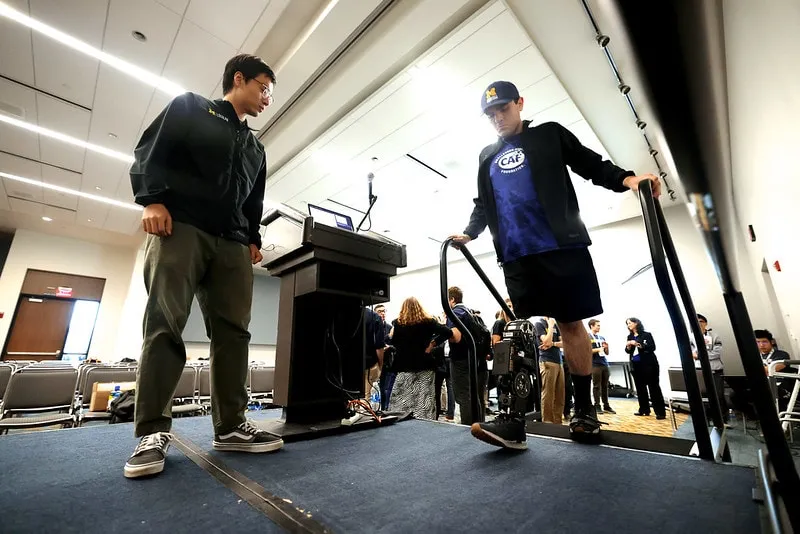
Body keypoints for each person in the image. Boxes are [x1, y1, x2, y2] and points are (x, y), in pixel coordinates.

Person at [450, 80, 660, 449]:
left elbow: (590, 164)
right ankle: (513, 419)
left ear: (519, 104)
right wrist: (470, 233)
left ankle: (584, 413)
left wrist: (629, 179)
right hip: (516, 254)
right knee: (518, 333)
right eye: (491, 114)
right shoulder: (486, 155)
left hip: (561, 246)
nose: (498, 118)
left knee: (570, 323)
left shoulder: (548, 134)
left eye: (503, 109)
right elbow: (483, 203)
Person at [124, 54, 280, 479]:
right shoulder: (191, 107)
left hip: (231, 243)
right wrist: (152, 198)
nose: (268, 97)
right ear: (239, 78)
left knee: (234, 333)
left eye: (271, 91)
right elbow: (151, 150)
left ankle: (230, 426)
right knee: (165, 323)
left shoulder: (255, 147)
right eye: (263, 87)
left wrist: (252, 238)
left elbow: (254, 200)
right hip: (182, 227)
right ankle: (152, 432)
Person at [387, 297, 459, 419]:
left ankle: (402, 423)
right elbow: (448, 332)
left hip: (405, 366)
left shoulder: (397, 324)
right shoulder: (428, 322)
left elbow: (393, 341)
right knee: (424, 400)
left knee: (401, 400)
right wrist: (433, 344)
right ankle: (424, 425)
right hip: (425, 364)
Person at [446, 286, 488, 424]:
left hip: (460, 360)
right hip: (472, 359)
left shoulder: (456, 313)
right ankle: (479, 425)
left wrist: (441, 331)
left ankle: (468, 429)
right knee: (474, 396)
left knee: (464, 396)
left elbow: (455, 337)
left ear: (452, 299)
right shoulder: (469, 312)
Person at [625, 318, 666, 419]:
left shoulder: (646, 335)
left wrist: (638, 344)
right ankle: (644, 409)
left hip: (649, 364)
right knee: (640, 388)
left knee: (654, 387)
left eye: (630, 323)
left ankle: (660, 412)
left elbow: (652, 347)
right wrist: (628, 346)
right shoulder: (629, 336)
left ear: (636, 323)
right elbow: (628, 351)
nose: (628, 325)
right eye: (627, 323)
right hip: (636, 365)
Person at [691, 313, 726, 414]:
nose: (699, 324)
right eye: (696, 322)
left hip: (715, 369)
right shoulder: (691, 337)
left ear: (706, 323)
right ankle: (708, 417)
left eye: (701, 321)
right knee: (703, 395)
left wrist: (700, 356)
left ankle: (722, 418)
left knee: (718, 395)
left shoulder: (714, 336)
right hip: (699, 370)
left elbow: (717, 352)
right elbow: (691, 352)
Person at [534, 316, 565, 424]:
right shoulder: (539, 324)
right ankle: (547, 422)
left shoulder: (556, 324)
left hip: (559, 361)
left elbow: (564, 343)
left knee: (560, 394)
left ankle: (557, 421)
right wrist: (551, 325)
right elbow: (546, 342)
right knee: (548, 394)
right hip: (547, 361)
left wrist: (553, 344)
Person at [755, 329, 795, 413]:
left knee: (767, 392)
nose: (761, 345)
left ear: (771, 342)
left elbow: (770, 369)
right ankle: (756, 417)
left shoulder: (782, 354)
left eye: (764, 341)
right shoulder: (755, 356)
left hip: (780, 386)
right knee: (735, 396)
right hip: (761, 385)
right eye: (758, 342)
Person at [589, 319, 614, 414]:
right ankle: (597, 405)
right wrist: (598, 349)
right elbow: (587, 351)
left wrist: (606, 348)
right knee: (596, 386)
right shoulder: (587, 336)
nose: (599, 327)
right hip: (595, 364)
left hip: (604, 363)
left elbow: (606, 353)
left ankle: (606, 405)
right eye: (597, 325)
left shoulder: (602, 337)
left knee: (605, 385)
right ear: (591, 326)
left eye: (599, 325)